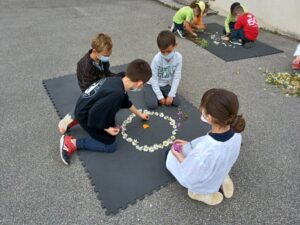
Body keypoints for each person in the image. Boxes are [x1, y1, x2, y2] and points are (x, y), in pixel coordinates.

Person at [59, 59, 152, 165]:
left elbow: (126, 102)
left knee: (112, 110)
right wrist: (107, 128)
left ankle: (76, 116)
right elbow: (94, 114)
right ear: (140, 83)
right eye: (143, 84)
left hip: (84, 103)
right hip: (87, 115)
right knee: (110, 145)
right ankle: (71, 143)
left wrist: (140, 114)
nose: (142, 86)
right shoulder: (116, 95)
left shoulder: (120, 78)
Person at [166, 88, 246, 205]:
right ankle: (223, 177)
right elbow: (221, 151)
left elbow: (192, 175)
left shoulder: (205, 150)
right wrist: (189, 145)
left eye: (202, 107)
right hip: (221, 168)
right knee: (217, 165)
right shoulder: (237, 134)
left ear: (209, 117)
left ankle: (199, 193)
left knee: (168, 156)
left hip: (204, 176)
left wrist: (179, 156)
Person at [58, 33, 124, 134]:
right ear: (94, 51)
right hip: (90, 88)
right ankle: (69, 119)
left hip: (101, 80)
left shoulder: (102, 59)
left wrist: (118, 79)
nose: (107, 58)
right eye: (106, 55)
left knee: (123, 76)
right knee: (89, 106)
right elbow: (89, 90)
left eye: (109, 55)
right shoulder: (86, 67)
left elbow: (107, 73)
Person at [144, 30, 182, 109]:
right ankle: (148, 91)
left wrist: (171, 95)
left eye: (169, 51)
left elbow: (177, 77)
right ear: (159, 48)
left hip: (164, 85)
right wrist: (160, 96)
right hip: (151, 84)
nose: (166, 54)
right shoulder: (156, 59)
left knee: (176, 102)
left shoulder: (178, 58)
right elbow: (153, 79)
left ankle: (159, 95)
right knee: (152, 105)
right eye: (162, 52)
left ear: (175, 45)